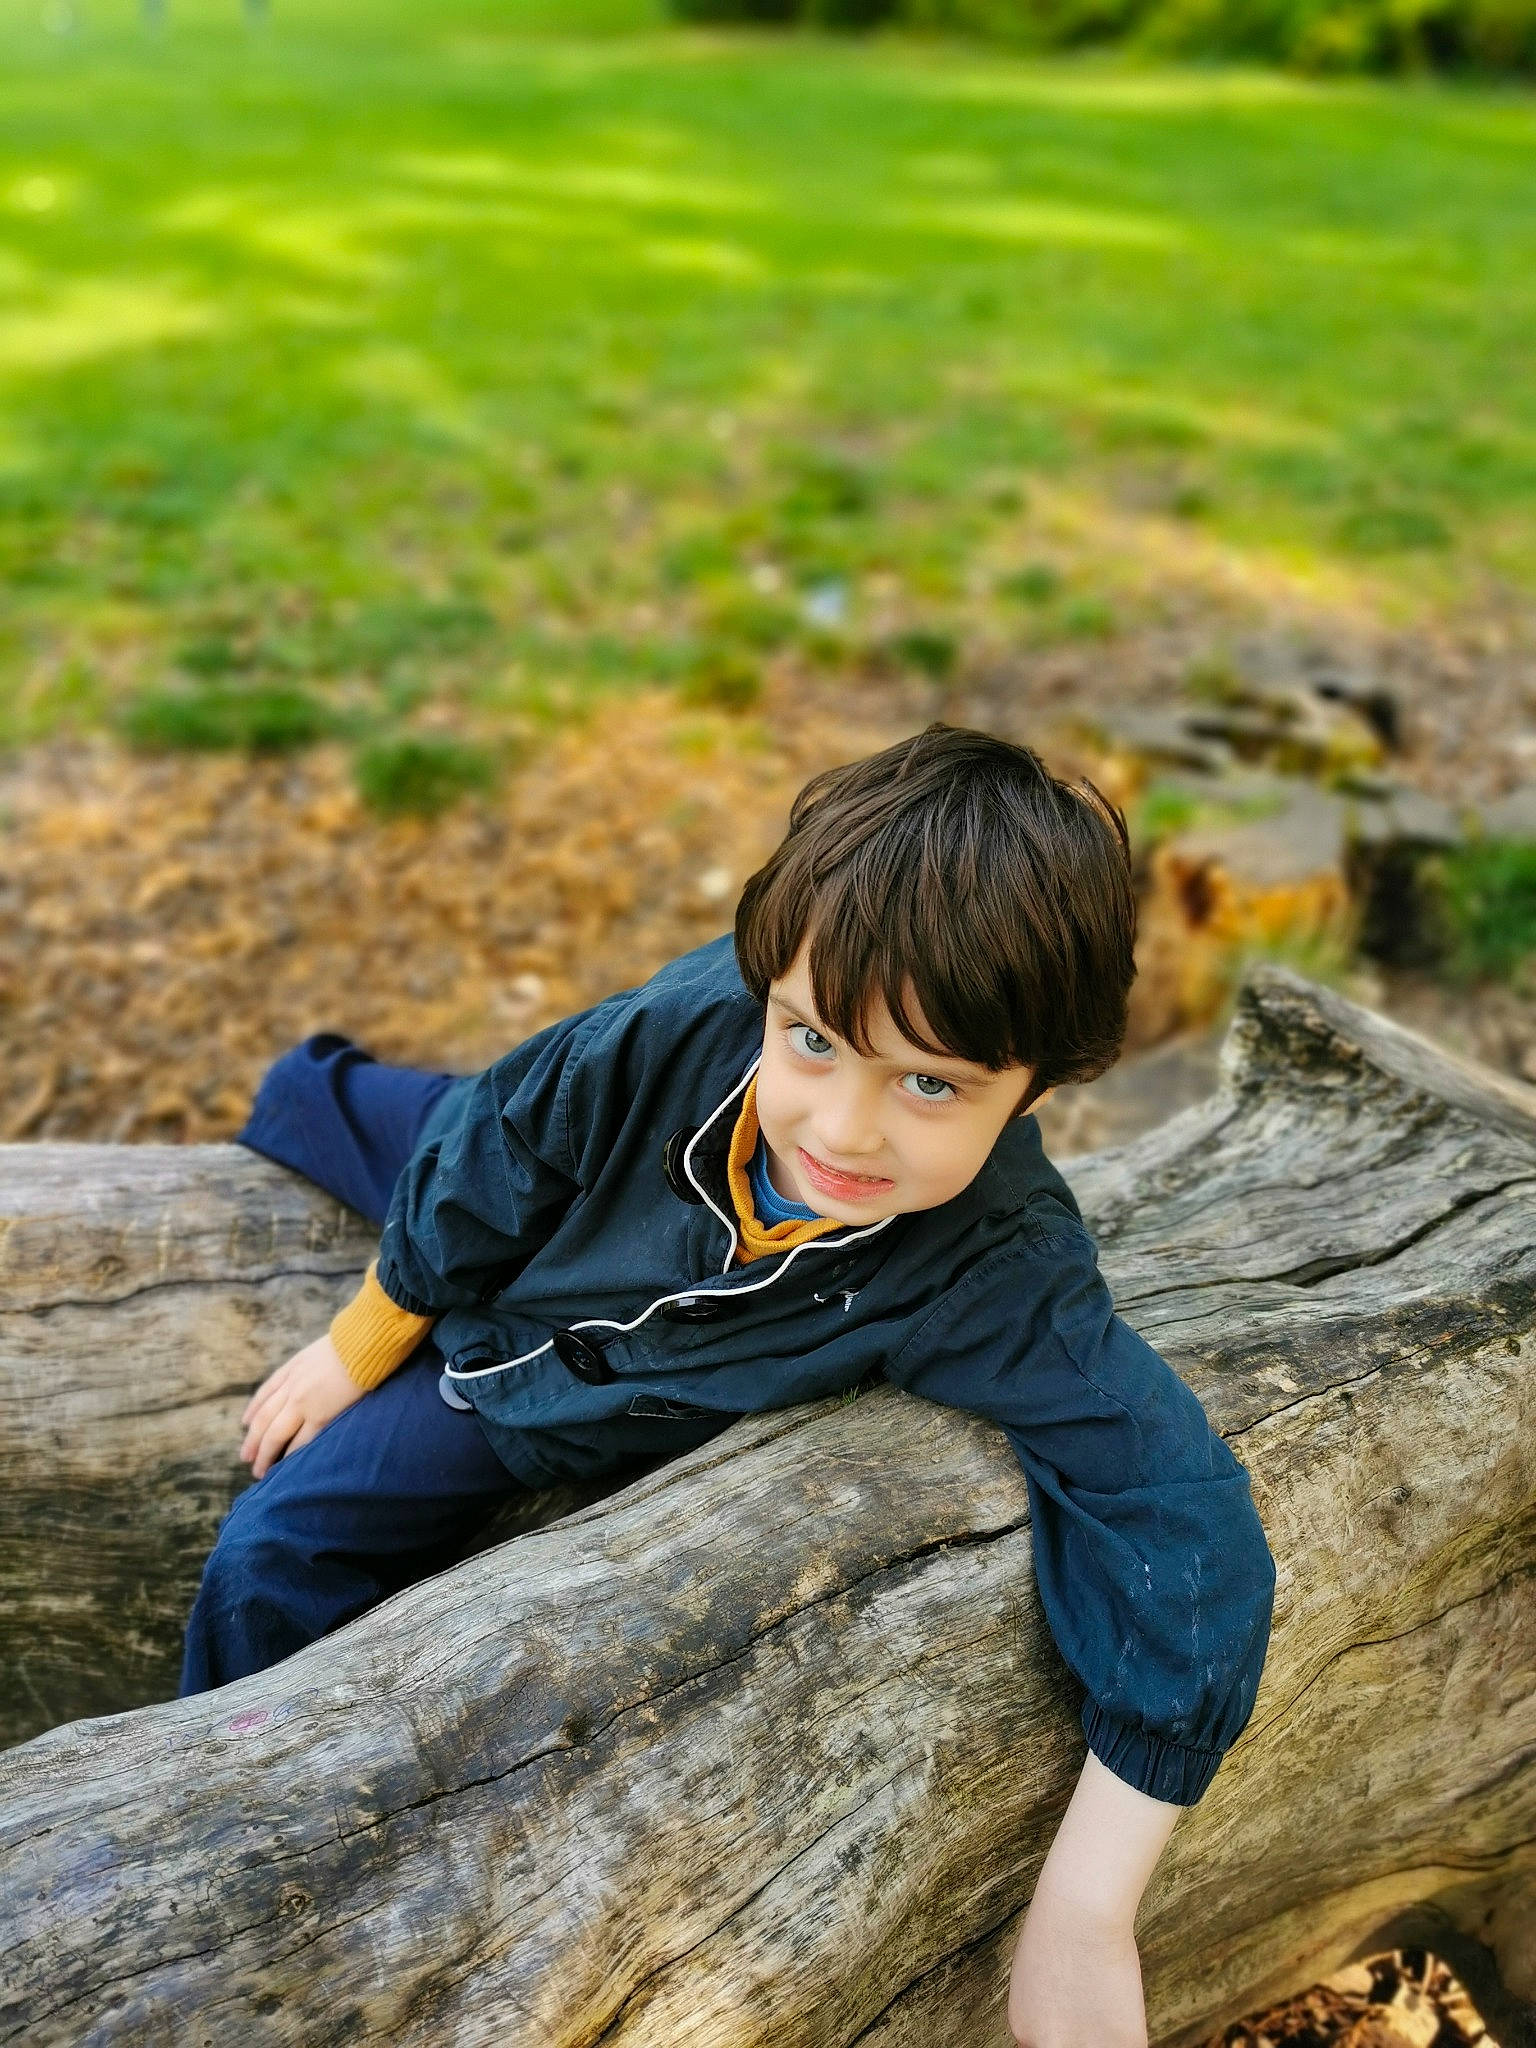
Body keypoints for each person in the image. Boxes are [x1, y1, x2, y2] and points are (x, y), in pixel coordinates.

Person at [180, 722, 1275, 2048]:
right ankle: (204, 1841)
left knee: (281, 1531)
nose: (843, 1128)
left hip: (561, 1392)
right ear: (771, 987)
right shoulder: (671, 1035)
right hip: (559, 1211)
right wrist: (357, 1343)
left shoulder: (999, 1268)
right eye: (811, 1040)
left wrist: (1092, 1901)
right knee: (390, 1163)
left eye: (930, 1082)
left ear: (1037, 1084)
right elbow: (493, 1159)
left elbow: (1172, 1503)